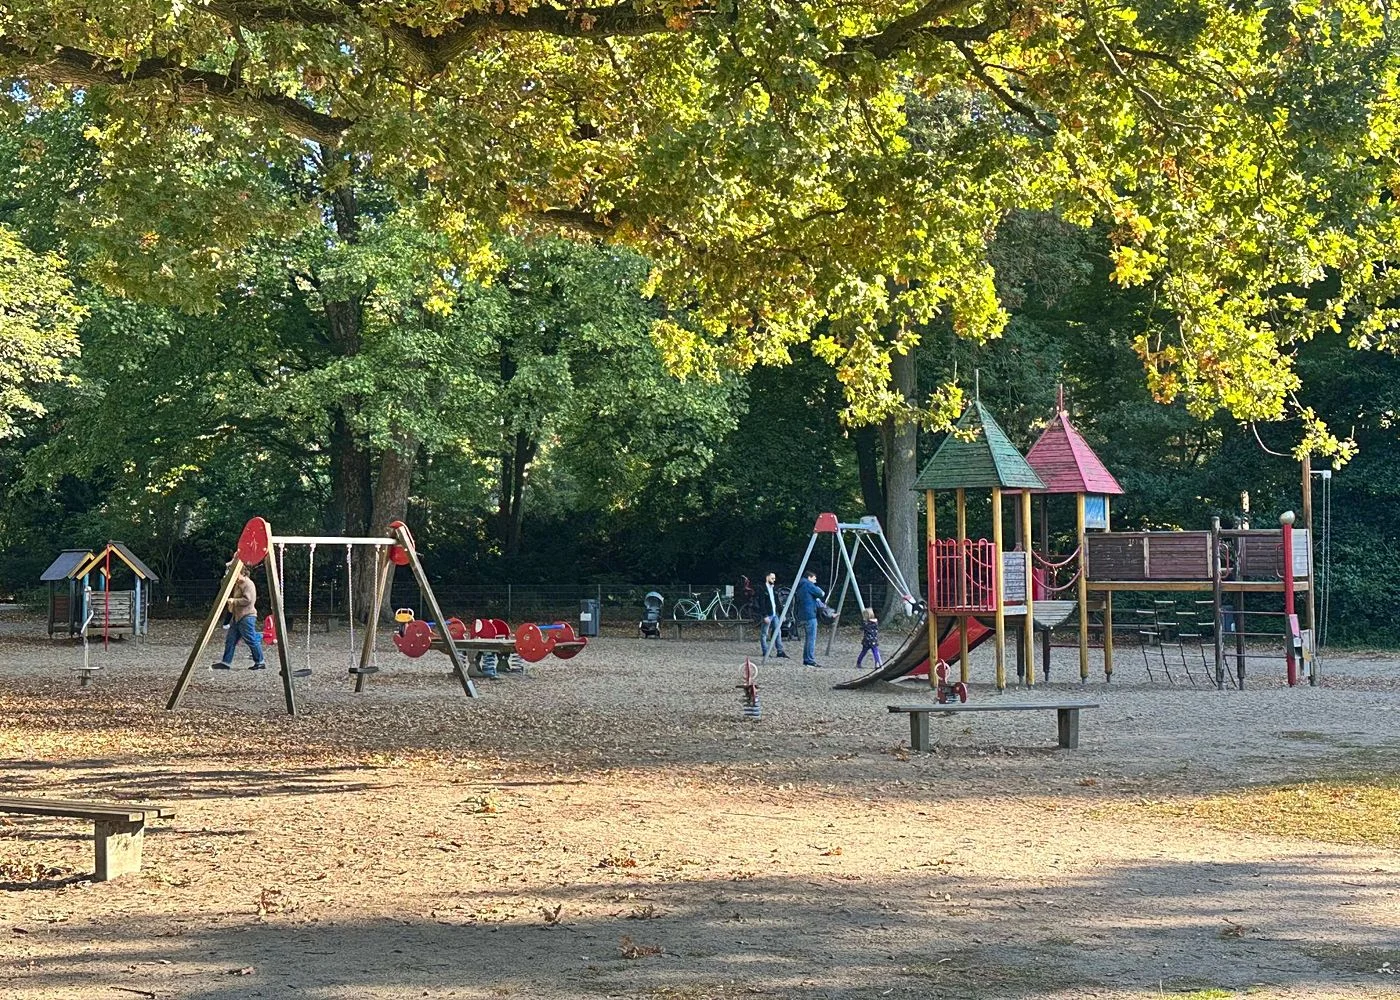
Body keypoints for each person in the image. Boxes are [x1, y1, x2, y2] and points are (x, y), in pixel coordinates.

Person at [213, 564, 266, 670]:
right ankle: (226, 662)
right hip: (237, 616)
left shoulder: (248, 584)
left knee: (250, 639)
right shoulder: (238, 584)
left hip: (247, 616)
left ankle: (260, 662)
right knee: (230, 639)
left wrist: (234, 601)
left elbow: (248, 600)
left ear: (240, 572)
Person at [793, 569, 826, 667]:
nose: (815, 581)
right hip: (810, 615)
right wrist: (818, 589)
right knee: (811, 639)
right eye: (814, 579)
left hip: (801, 614)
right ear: (809, 577)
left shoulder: (800, 585)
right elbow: (821, 593)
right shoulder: (808, 584)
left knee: (808, 639)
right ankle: (809, 660)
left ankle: (807, 659)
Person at [757, 571, 787, 659]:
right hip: (768, 614)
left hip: (774, 614)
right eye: (772, 578)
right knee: (764, 633)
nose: (774, 580)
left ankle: (780, 651)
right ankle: (765, 651)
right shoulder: (762, 589)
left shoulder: (774, 589)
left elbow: (777, 602)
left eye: (774, 578)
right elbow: (761, 603)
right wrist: (764, 615)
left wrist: (782, 613)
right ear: (767, 578)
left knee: (778, 631)